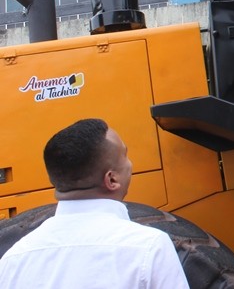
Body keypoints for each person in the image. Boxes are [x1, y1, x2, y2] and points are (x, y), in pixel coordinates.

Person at [0, 119, 189, 289]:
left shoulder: (12, 260)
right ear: (112, 179)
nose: (130, 163)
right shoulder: (150, 247)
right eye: (125, 155)